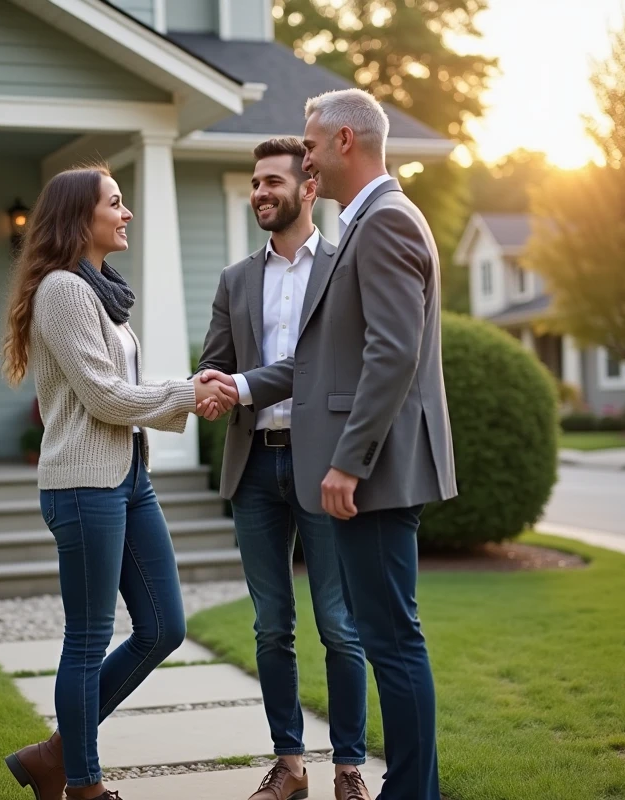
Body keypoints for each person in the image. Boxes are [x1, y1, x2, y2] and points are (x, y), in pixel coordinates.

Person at [200, 89, 458, 800]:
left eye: (310, 144)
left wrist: (346, 461)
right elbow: (323, 360)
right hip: (349, 466)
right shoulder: (374, 220)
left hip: (375, 472)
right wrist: (244, 386)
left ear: (345, 140)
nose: (304, 155)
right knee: (389, 638)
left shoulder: (383, 224)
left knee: (391, 642)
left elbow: (392, 355)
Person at [1, 165, 238, 800]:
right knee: (87, 638)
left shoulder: (96, 289)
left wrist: (187, 392)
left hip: (129, 481)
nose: (126, 212)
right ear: (82, 217)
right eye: (115, 202)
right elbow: (105, 397)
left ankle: (55, 755)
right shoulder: (62, 291)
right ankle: (81, 782)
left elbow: (118, 390)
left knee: (163, 626)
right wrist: (186, 393)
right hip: (83, 486)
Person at [195, 136, 369, 800]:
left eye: (273, 181)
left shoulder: (344, 267)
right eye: (255, 183)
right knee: (272, 625)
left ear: (309, 188)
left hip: (323, 467)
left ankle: (349, 767)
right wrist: (206, 391)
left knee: (338, 623)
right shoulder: (236, 279)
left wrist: (236, 385)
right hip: (255, 471)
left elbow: (331, 370)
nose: (261, 192)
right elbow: (215, 361)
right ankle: (290, 764)